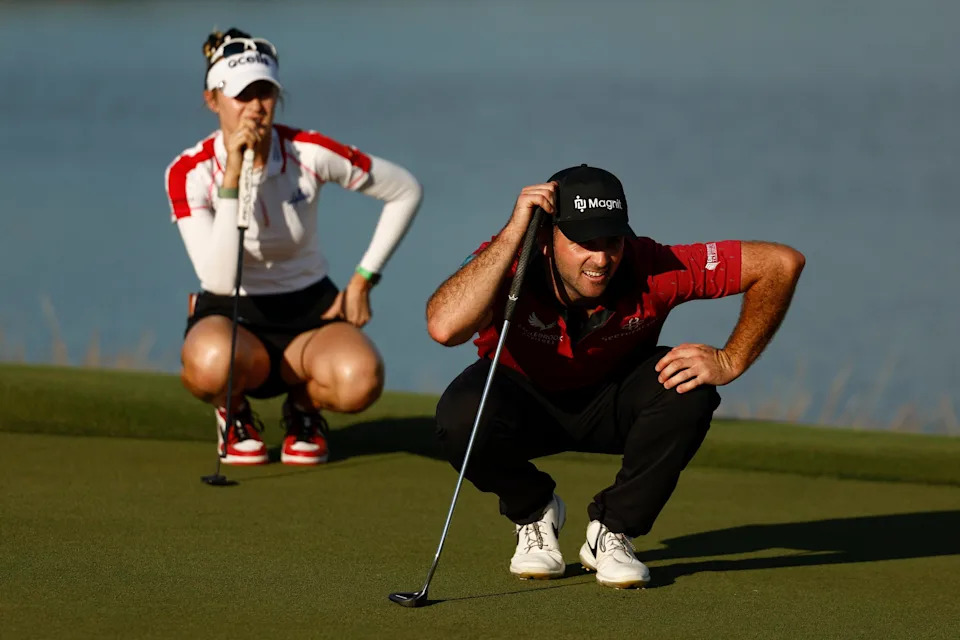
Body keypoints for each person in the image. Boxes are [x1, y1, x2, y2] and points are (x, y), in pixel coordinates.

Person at [426, 164, 804, 588]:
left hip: (612, 400)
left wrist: (731, 359)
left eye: (612, 241)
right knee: (460, 416)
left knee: (688, 390)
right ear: (550, 237)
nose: (601, 259)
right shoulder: (509, 258)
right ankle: (533, 511)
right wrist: (515, 230)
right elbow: (444, 327)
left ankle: (612, 530)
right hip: (522, 399)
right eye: (584, 243)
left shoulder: (651, 263)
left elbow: (780, 264)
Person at [164, 28, 422, 466]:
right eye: (241, 94)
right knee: (209, 365)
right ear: (213, 100)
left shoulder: (308, 151)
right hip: (231, 317)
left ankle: (303, 410)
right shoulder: (188, 172)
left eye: (265, 92)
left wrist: (363, 279)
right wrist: (232, 180)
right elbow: (221, 279)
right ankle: (235, 412)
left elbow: (405, 190)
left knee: (361, 379)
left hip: (310, 312)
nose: (255, 107)